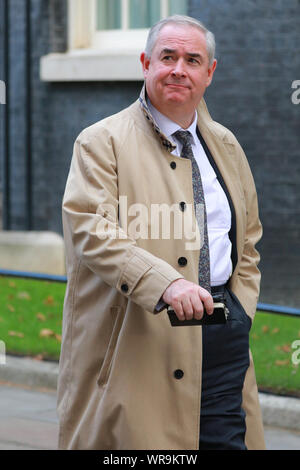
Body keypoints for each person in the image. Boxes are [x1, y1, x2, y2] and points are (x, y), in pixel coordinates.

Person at [57, 15, 265, 450]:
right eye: (167, 57)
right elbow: (92, 229)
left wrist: (241, 305)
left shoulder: (227, 144)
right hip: (142, 339)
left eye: (193, 60)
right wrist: (166, 284)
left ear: (210, 73)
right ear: (145, 63)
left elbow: (247, 238)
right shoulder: (101, 141)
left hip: (225, 340)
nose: (178, 69)